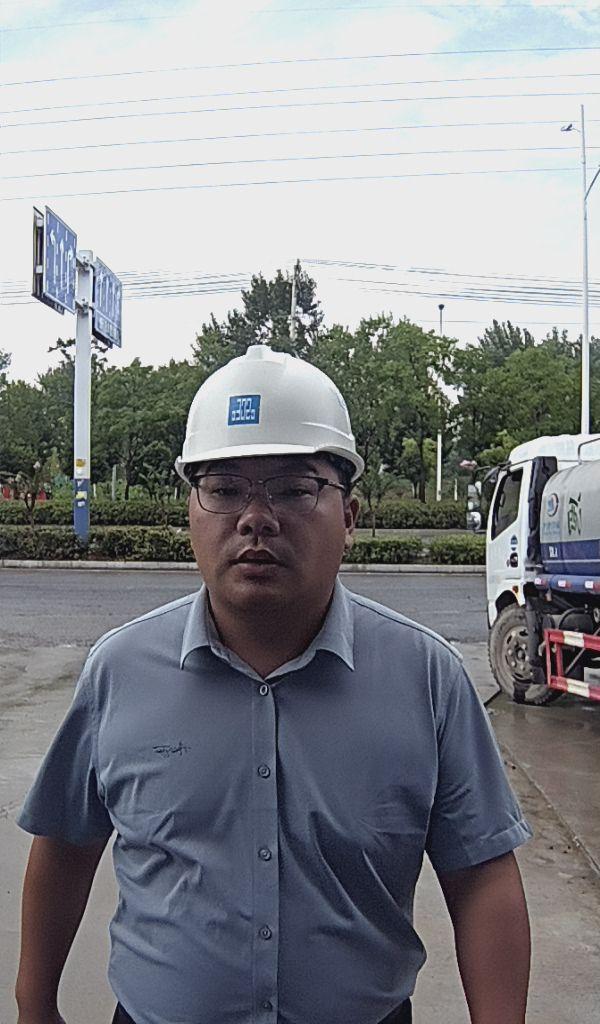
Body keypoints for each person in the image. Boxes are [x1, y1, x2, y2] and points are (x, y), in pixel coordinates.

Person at [15, 344, 531, 1024]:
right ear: (191, 512)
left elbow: (481, 875)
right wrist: (34, 1005)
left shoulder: (426, 679)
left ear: (348, 517)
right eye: (225, 489)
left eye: (293, 488)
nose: (255, 517)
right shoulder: (120, 670)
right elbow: (65, 846)